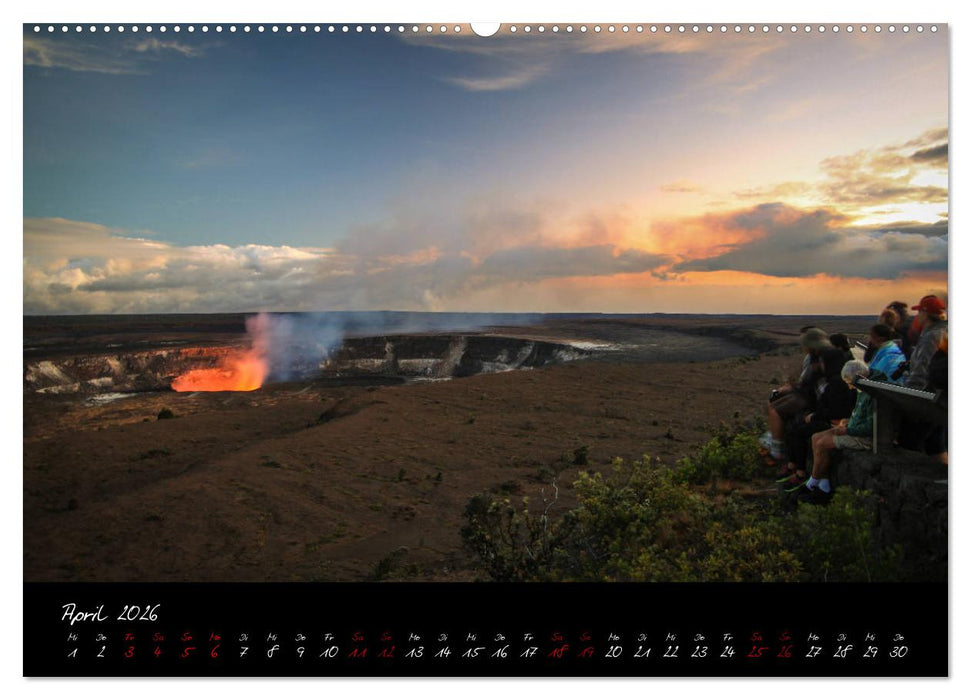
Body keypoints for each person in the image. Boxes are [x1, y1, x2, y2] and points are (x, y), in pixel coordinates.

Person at [797, 360, 874, 505]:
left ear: (859, 377)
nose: (849, 386)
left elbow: (870, 426)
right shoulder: (864, 389)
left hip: (863, 438)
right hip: (853, 429)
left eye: (849, 382)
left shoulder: (872, 393)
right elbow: (860, 416)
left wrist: (848, 429)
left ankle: (811, 484)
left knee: (822, 443)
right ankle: (823, 485)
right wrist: (848, 422)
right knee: (816, 438)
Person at [778, 348, 858, 488]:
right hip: (829, 419)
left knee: (797, 433)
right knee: (796, 429)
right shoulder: (833, 379)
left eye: (822, 361)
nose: (820, 364)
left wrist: (815, 416)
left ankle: (800, 472)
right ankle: (797, 469)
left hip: (833, 422)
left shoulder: (837, 383)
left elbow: (835, 410)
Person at [761, 328, 832, 460]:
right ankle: (773, 435)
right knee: (772, 402)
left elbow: (809, 382)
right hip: (810, 394)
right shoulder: (817, 356)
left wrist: (792, 388)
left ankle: (777, 447)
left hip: (811, 398)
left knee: (775, 409)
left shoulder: (820, 358)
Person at [900, 295, 948, 464]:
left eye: (919, 312)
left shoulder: (932, 337)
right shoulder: (946, 332)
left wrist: (907, 397)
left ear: (925, 314)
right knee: (936, 445)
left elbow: (923, 371)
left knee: (911, 443)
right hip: (941, 397)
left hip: (929, 400)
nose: (916, 316)